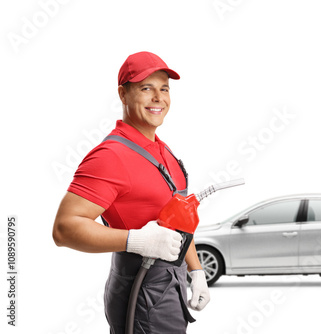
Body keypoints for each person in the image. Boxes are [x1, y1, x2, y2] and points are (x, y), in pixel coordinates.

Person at [53, 51, 210, 333]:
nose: (158, 97)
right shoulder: (111, 157)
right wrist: (137, 241)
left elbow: (179, 220)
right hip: (142, 291)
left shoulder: (165, 153)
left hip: (171, 284)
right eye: (146, 88)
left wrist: (196, 270)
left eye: (164, 89)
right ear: (123, 95)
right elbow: (64, 229)